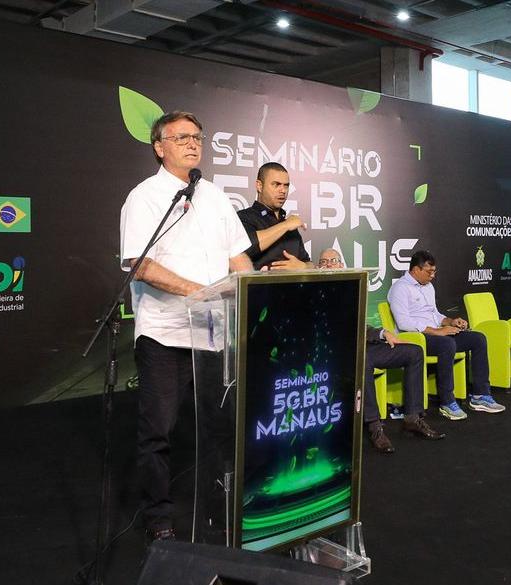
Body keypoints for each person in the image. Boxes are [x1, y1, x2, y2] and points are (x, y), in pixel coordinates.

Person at [119, 111, 254, 542]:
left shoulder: (214, 195)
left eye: (197, 136)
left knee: (220, 427)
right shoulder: (144, 197)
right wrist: (202, 290)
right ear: (160, 147)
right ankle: (159, 517)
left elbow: (238, 256)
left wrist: (250, 287)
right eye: (181, 137)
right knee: (158, 430)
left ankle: (221, 506)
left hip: (213, 334)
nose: (192, 143)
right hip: (164, 332)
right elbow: (139, 264)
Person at [317, 249, 443, 453]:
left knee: (415, 352)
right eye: (324, 261)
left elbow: (360, 325)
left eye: (334, 260)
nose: (330, 264)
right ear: (317, 267)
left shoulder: (350, 289)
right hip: (338, 352)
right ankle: (374, 426)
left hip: (363, 344)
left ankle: (412, 417)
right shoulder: (317, 292)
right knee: (363, 360)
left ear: (342, 264)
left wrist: (383, 333)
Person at [386, 250, 506, 420]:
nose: (433, 275)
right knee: (447, 344)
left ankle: (480, 396)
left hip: (436, 333)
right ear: (415, 270)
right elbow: (404, 323)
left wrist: (450, 322)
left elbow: (435, 314)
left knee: (478, 339)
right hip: (414, 338)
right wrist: (437, 332)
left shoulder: (428, 287)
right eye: (429, 272)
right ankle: (447, 402)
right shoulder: (400, 288)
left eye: (434, 271)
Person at [237, 162, 311, 270]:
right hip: (258, 287)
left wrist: (303, 267)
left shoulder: (291, 226)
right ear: (259, 186)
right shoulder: (244, 217)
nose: (283, 190)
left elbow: (309, 263)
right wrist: (285, 225)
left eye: (286, 185)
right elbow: (246, 246)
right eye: (276, 184)